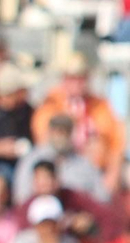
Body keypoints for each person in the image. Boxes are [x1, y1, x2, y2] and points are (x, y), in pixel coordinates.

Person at [29, 52, 123, 189]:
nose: (78, 83)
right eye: (72, 78)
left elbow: (117, 143)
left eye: (82, 78)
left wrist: (113, 173)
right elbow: (43, 141)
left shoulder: (100, 105)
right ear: (64, 79)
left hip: (97, 168)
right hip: (62, 166)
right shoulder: (50, 104)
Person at [13, 114, 108, 205]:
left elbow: (102, 198)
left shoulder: (83, 164)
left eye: (65, 131)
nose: (61, 136)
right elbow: (21, 197)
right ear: (49, 132)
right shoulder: (31, 160)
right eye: (57, 131)